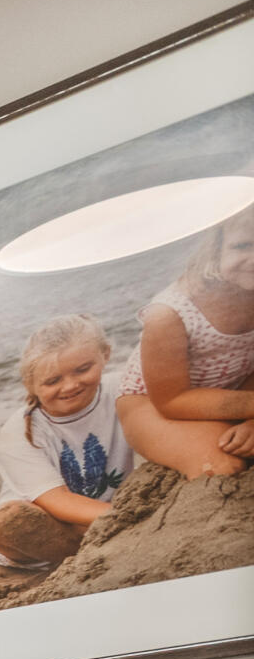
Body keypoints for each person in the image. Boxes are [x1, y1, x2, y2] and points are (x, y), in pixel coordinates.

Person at [117, 203, 254, 480]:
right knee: (223, 466)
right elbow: (172, 400)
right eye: (243, 246)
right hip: (154, 404)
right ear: (213, 250)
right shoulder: (170, 314)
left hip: (236, 390)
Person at [0, 313, 132, 569]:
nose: (70, 385)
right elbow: (58, 501)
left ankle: (107, 542)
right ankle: (97, 546)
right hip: (44, 531)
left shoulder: (125, 387)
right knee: (5, 520)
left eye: (83, 369)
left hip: (105, 514)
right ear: (30, 385)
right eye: (53, 381)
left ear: (105, 354)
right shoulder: (19, 432)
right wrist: (134, 516)